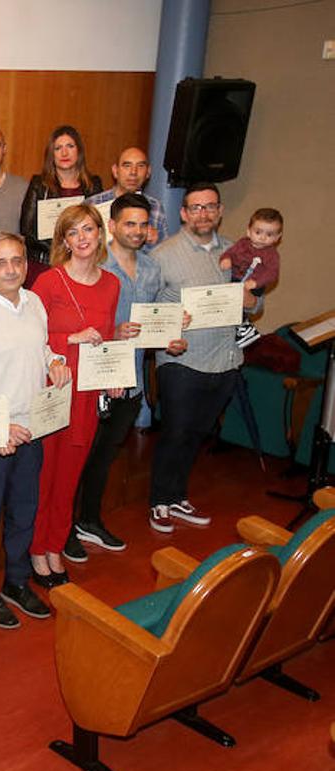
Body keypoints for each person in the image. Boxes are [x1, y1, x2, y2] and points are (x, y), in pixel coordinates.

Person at [0, 232, 70, 629]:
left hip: (33, 426)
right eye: (1, 262)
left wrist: (54, 361)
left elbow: (41, 349)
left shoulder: (35, 302)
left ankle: (17, 581)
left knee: (25, 513)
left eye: (18, 260)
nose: (11, 269)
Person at [67, 193, 188, 563]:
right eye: (128, 223)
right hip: (93, 377)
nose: (136, 231)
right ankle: (64, 527)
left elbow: (154, 320)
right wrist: (112, 331)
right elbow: (75, 322)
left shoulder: (151, 269)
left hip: (131, 377)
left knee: (104, 458)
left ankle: (89, 519)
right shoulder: (94, 264)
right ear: (113, 226)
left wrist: (170, 335)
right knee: (79, 457)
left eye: (142, 224)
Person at [147, 183, 260, 533]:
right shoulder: (162, 255)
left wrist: (250, 301)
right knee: (176, 432)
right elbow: (147, 310)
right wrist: (168, 326)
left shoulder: (239, 253)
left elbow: (256, 305)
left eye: (210, 206)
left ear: (220, 210)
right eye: (195, 207)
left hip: (225, 360)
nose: (203, 213)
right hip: (181, 359)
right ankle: (159, 501)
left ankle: (178, 495)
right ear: (183, 213)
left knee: (198, 434)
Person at [28, 205, 120, 587]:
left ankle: (54, 546)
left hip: (86, 396)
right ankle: (35, 549)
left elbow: (109, 337)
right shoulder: (49, 282)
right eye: (73, 232)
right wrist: (70, 340)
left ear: (101, 233)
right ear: (63, 240)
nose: (82, 238)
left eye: (88, 229)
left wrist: (114, 375)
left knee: (69, 479)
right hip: (52, 391)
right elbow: (29, 339)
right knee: (43, 476)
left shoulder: (112, 284)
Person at [19, 126, 104, 273]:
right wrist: (63, 248)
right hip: (45, 261)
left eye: (70, 146)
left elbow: (99, 224)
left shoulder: (93, 184)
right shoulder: (39, 184)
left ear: (79, 151)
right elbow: (27, 229)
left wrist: (76, 247)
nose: (64, 153)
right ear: (51, 154)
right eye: (58, 148)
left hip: (83, 262)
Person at [219, 207, 283, 349]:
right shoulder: (242, 244)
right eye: (258, 232)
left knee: (240, 307)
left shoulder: (271, 255)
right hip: (236, 278)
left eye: (269, 234)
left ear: (278, 237)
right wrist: (226, 259)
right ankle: (240, 328)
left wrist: (256, 282)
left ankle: (244, 328)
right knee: (228, 300)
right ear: (249, 231)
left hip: (255, 285)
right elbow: (230, 253)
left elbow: (272, 273)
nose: (262, 237)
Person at [85, 146, 168, 247]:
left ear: (148, 172)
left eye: (140, 166)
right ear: (115, 171)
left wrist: (157, 241)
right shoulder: (93, 204)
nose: (133, 172)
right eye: (127, 166)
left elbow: (165, 255)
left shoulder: (156, 207)